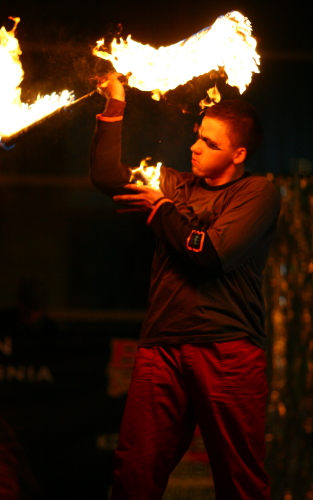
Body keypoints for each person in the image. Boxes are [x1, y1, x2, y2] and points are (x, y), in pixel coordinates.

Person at [90, 73, 280, 500]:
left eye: (211, 144)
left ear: (238, 154)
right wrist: (116, 102)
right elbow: (106, 175)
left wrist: (160, 209)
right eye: (198, 137)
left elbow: (207, 257)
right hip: (162, 348)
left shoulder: (258, 193)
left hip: (227, 349)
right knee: (133, 475)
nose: (195, 147)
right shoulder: (175, 183)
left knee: (240, 482)